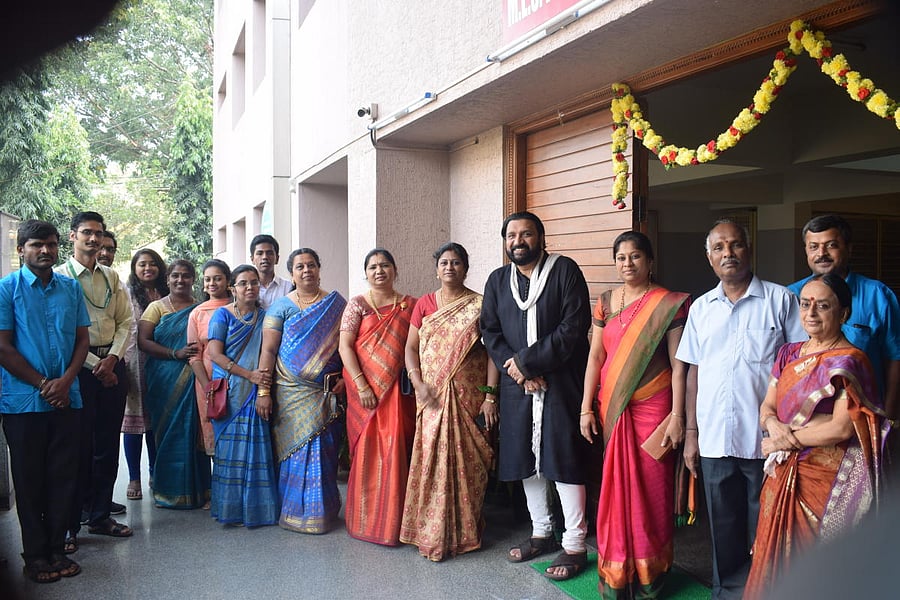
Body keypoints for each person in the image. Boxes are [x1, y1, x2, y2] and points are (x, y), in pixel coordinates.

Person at [675, 219, 806, 600]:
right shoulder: (701, 308)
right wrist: (691, 435)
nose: (727, 253)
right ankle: (728, 592)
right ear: (709, 257)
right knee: (723, 528)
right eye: (719, 247)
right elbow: (693, 372)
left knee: (767, 525)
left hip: (765, 440)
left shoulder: (781, 301)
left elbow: (798, 368)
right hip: (715, 437)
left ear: (749, 249)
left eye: (735, 245)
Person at [744, 273, 885, 599]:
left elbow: (841, 428)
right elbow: (768, 404)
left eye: (823, 306)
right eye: (806, 305)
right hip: (782, 475)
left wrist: (784, 438)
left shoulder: (850, 361)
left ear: (844, 313)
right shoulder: (789, 354)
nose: (811, 313)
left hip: (826, 480)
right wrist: (772, 422)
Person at [480, 211, 592, 581]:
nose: (519, 241)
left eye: (526, 234)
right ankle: (541, 532)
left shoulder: (565, 271)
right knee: (527, 458)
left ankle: (575, 543)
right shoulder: (498, 281)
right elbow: (490, 332)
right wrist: (517, 371)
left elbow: (574, 327)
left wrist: (528, 364)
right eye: (512, 235)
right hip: (518, 388)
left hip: (560, 381)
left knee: (563, 457)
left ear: (541, 238)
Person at [579, 231, 690, 597]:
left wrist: (678, 416)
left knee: (652, 489)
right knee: (615, 487)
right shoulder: (606, 302)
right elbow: (596, 358)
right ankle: (618, 571)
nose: (628, 263)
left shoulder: (668, 304)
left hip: (654, 409)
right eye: (622, 257)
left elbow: (679, 366)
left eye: (636, 256)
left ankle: (650, 574)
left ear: (650, 261)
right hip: (612, 406)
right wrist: (585, 409)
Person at [0, 220, 90, 583]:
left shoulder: (70, 288)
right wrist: (42, 383)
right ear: (21, 249)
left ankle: (56, 547)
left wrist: (65, 381)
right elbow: (3, 346)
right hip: (23, 402)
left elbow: (82, 340)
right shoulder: (7, 289)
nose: (45, 251)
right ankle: (35, 554)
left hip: (67, 398)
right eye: (37, 244)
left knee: (63, 477)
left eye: (51, 245)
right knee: (29, 478)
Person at [400, 242, 498, 561]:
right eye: (444, 262)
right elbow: (411, 348)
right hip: (431, 397)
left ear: (466, 268)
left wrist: (490, 397)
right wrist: (418, 383)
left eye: (456, 262)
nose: (450, 267)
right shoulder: (425, 304)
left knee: (468, 464)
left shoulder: (480, 305)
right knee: (431, 461)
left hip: (469, 397)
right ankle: (431, 530)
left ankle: (466, 531)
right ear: (436, 268)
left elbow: (494, 353)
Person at [55, 211, 132, 551]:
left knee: (106, 445)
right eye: (86, 232)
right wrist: (95, 364)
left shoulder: (112, 277)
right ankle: (70, 525)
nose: (93, 239)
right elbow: (61, 333)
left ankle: (100, 515)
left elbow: (126, 321)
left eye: (98, 233)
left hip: (113, 369)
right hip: (77, 370)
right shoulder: (59, 278)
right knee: (76, 448)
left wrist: (112, 359)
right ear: (72, 236)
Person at [259, 249, 346, 533]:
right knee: (294, 449)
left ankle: (324, 511)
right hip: (289, 392)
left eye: (311, 265)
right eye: (300, 267)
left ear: (319, 269)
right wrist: (263, 391)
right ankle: (295, 512)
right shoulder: (281, 307)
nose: (306, 270)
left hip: (327, 392)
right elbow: (269, 350)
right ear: (292, 274)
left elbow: (348, 348)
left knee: (324, 450)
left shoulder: (336, 304)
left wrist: (345, 379)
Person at [787, 215, 900, 422]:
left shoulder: (878, 295)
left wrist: (890, 418)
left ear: (849, 248)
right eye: (813, 247)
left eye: (831, 245)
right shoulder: (790, 297)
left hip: (866, 417)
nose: (821, 254)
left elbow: (894, 359)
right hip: (804, 420)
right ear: (806, 250)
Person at [339, 248, 417, 545]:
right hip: (365, 392)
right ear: (366, 273)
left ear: (395, 270)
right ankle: (366, 521)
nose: (379, 271)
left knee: (397, 448)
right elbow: (345, 346)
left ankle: (397, 524)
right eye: (372, 267)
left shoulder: (410, 305)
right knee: (369, 451)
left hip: (398, 391)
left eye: (385, 265)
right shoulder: (356, 305)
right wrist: (360, 385)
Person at [206, 264, 279, 526]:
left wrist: (262, 388)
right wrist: (249, 375)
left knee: (257, 449)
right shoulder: (221, 316)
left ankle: (257, 511)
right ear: (232, 288)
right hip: (230, 393)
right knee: (229, 451)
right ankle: (231, 510)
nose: (250, 288)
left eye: (254, 283)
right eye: (243, 283)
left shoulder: (268, 317)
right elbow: (215, 354)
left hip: (256, 393)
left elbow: (270, 353)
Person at [137, 259, 209, 509]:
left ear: (193, 280)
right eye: (175, 276)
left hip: (195, 377)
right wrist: (173, 353)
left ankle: (200, 490)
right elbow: (143, 341)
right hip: (164, 376)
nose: (180, 280)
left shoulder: (201, 308)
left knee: (194, 431)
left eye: (186, 276)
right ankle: (168, 491)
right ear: (167, 280)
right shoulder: (156, 307)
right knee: (168, 432)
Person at [121, 248, 167, 501]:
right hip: (134, 364)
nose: (147, 268)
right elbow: (125, 330)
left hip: (163, 365)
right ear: (134, 269)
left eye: (152, 264)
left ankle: (154, 473)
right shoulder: (126, 295)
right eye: (142, 265)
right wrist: (124, 365)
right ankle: (134, 478)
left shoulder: (167, 293)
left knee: (156, 423)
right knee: (134, 423)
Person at [188, 259, 232, 458]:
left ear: (228, 280)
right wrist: (208, 387)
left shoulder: (239, 306)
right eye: (207, 279)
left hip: (238, 376)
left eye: (217, 278)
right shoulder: (197, 313)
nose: (212, 283)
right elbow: (194, 355)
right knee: (212, 425)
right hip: (207, 379)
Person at [250, 234, 292, 309]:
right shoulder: (247, 288)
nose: (265, 257)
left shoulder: (288, 287)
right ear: (252, 259)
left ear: (277, 259)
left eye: (269, 253)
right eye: (260, 253)